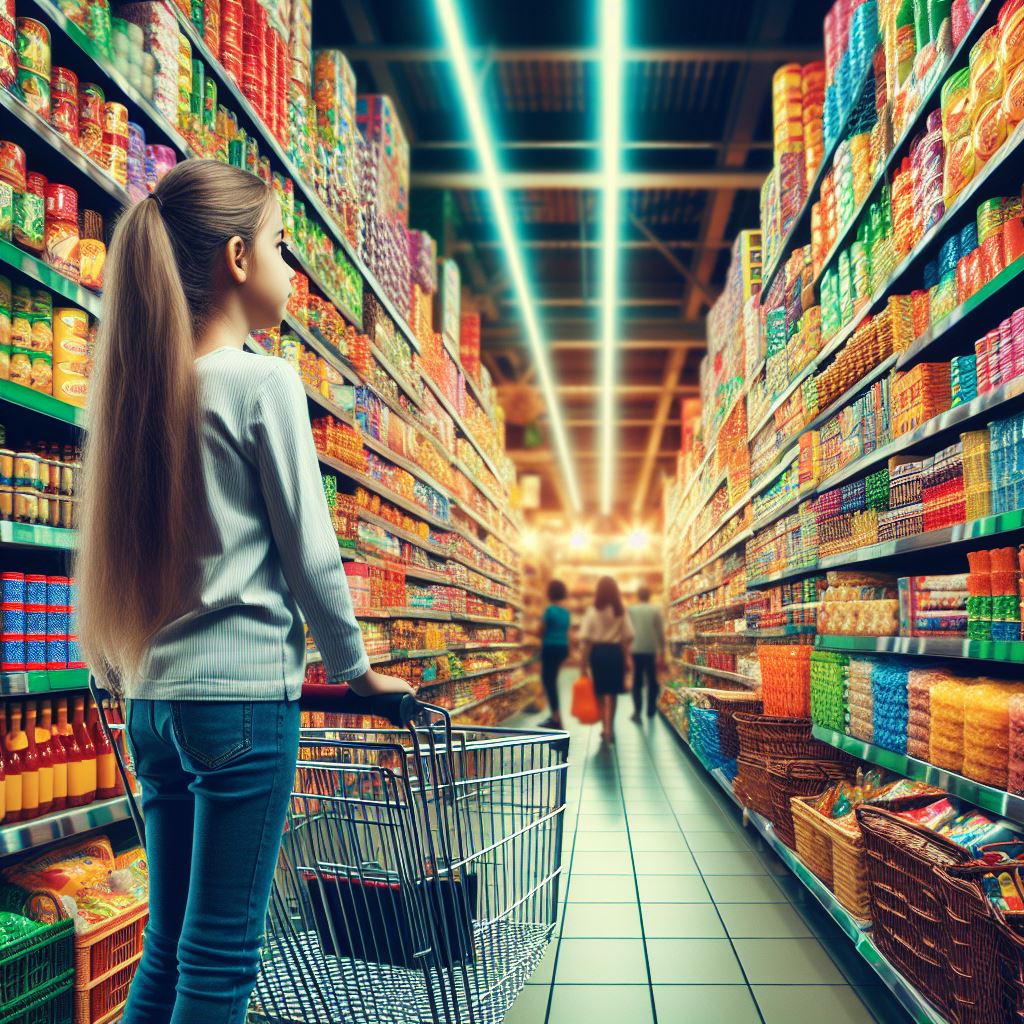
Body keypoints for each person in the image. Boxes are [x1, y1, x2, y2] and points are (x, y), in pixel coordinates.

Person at [76, 160, 413, 1024]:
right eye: (280, 245)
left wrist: (115, 665)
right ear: (235, 258)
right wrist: (358, 670)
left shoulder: (141, 392)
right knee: (222, 955)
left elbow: (119, 554)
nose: (290, 268)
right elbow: (311, 554)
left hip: (151, 703)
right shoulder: (262, 382)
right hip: (239, 708)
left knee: (169, 951)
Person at [579, 576, 634, 744]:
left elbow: (586, 639)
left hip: (598, 653)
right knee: (613, 692)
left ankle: (604, 727)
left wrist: (583, 664)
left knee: (600, 692)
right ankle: (611, 727)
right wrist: (627, 659)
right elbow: (627, 637)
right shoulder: (620, 610)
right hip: (615, 653)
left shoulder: (593, 611)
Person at [628, 586, 666, 722]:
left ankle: (637, 712)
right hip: (650, 649)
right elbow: (660, 632)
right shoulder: (655, 610)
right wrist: (662, 651)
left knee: (637, 681)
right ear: (649, 596)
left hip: (635, 648)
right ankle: (651, 709)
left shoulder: (631, 610)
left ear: (638, 596)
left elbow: (627, 631)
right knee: (652, 680)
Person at [539, 578, 570, 728]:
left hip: (550, 647)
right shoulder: (565, 613)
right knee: (552, 681)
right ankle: (554, 716)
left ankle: (557, 720)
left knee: (548, 682)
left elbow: (541, 630)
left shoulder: (550, 610)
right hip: (562, 648)